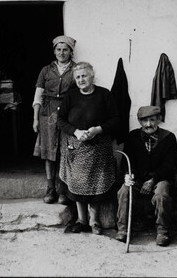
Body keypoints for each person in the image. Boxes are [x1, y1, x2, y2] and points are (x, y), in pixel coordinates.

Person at [57, 62, 119, 235]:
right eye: (77, 77)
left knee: (97, 185)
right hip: (76, 147)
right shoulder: (71, 96)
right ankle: (81, 220)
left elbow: (115, 119)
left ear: (92, 76)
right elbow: (61, 120)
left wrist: (97, 129)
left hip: (99, 146)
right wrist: (76, 132)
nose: (81, 79)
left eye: (84, 76)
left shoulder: (104, 94)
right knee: (77, 184)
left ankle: (94, 221)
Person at [115, 106, 177, 246]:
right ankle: (123, 229)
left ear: (159, 120)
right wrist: (127, 175)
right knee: (124, 191)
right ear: (139, 121)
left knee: (162, 194)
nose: (148, 124)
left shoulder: (168, 138)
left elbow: (169, 165)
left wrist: (153, 180)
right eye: (144, 121)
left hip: (160, 178)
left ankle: (163, 231)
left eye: (152, 120)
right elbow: (127, 160)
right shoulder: (132, 137)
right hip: (138, 178)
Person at [33, 35, 77, 204]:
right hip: (48, 113)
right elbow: (38, 96)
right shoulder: (46, 70)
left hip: (68, 113)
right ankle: (50, 189)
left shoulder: (75, 70)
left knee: (66, 152)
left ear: (71, 52)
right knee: (49, 152)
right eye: (58, 49)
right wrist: (35, 120)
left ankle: (64, 190)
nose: (61, 52)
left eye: (65, 49)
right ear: (54, 51)